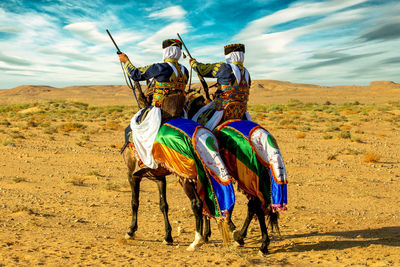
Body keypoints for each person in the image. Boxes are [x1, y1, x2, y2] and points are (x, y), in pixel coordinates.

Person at [118, 39, 189, 169]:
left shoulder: (160, 68)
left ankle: (140, 158)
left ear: (166, 52)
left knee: (132, 127)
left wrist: (126, 61)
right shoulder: (185, 71)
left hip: (160, 111)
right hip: (180, 113)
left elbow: (136, 74)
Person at [188, 43, 251, 130]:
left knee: (196, 121)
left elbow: (203, 70)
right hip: (241, 114)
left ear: (230, 55)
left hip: (221, 111)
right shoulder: (247, 73)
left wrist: (193, 63)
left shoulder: (224, 68)